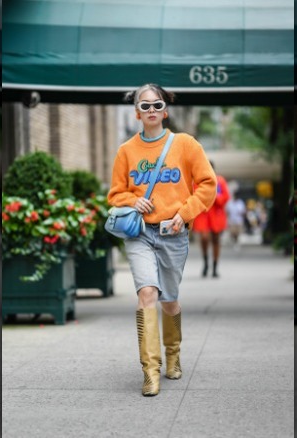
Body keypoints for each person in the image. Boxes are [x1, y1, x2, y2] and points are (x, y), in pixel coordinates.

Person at [107, 83, 216, 396]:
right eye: (145, 106)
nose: (151, 110)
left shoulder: (185, 144)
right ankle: (150, 370)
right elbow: (114, 194)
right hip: (139, 233)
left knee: (169, 299)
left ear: (165, 110)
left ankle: (173, 354)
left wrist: (184, 214)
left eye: (157, 105)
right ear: (137, 112)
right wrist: (132, 200)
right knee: (147, 294)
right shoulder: (126, 151)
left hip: (174, 233)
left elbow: (207, 185)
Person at [192, 161, 230, 277]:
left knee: (216, 239)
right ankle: (205, 262)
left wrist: (215, 197)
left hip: (216, 215)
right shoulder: (196, 181)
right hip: (203, 214)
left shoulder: (220, 181)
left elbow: (225, 197)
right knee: (204, 238)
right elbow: (194, 195)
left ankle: (214, 266)